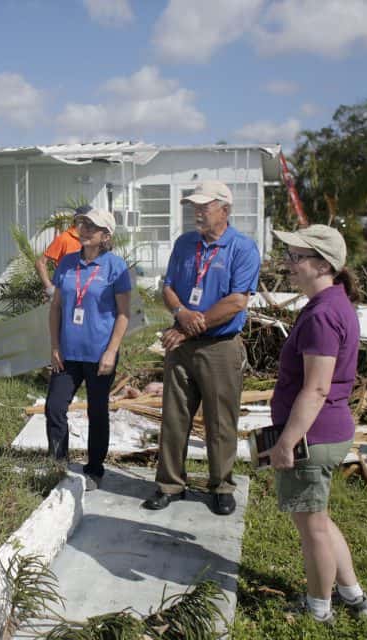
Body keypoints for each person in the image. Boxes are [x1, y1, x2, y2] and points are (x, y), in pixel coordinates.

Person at [262, 224, 367, 623]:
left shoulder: (323, 315)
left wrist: (286, 442)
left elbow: (317, 388)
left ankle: (319, 608)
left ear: (324, 264)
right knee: (319, 519)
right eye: (289, 256)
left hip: (313, 435)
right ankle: (354, 595)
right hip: (328, 430)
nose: (288, 265)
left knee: (312, 530)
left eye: (297, 257)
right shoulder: (332, 304)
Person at [142, 180, 260, 515]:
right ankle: (169, 484)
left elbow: (237, 301)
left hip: (219, 346)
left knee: (220, 421)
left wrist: (191, 328)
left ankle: (221, 485)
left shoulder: (242, 248)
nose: (197, 211)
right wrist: (180, 313)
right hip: (182, 342)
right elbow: (168, 288)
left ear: (225, 209)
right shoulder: (185, 244)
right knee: (174, 417)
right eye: (194, 205)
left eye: (204, 206)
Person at [45, 208, 132, 490]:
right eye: (82, 224)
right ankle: (58, 465)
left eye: (91, 227)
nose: (83, 230)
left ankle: (94, 469)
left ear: (105, 236)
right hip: (68, 352)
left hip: (99, 354)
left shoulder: (115, 267)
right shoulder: (68, 264)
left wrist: (111, 351)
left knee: (97, 412)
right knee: (54, 408)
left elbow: (123, 314)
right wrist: (55, 345)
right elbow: (56, 307)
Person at [36, 204, 91, 300]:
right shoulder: (64, 239)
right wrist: (49, 288)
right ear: (77, 221)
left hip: (87, 291)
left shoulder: (93, 239)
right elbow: (40, 263)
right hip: (65, 293)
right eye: (83, 220)